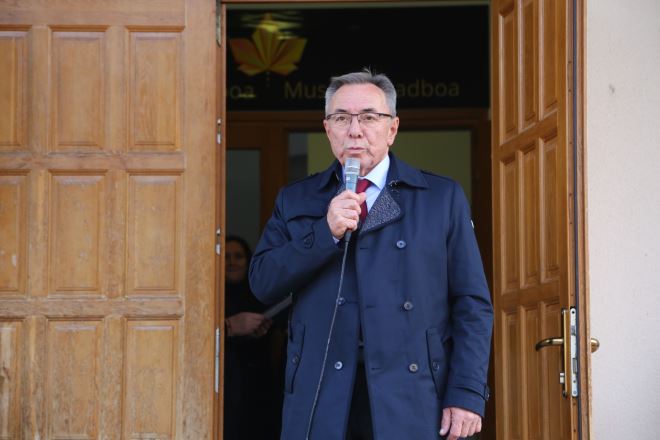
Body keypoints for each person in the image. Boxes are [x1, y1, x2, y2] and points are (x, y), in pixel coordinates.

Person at [249, 70, 493, 440]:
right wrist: (323, 233)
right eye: (341, 118)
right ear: (327, 129)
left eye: (368, 117)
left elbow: (472, 304)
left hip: (412, 390)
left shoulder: (440, 198)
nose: (354, 130)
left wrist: (467, 392)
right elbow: (263, 283)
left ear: (392, 128)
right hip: (322, 390)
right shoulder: (296, 199)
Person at [224, 235, 283, 440]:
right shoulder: (208, 296)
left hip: (258, 386)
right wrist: (229, 326)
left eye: (238, 256)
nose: (232, 262)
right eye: (226, 256)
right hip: (224, 386)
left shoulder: (261, 293)